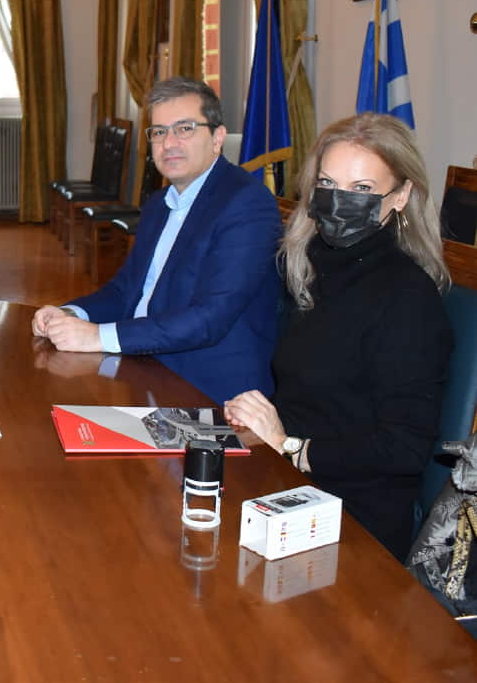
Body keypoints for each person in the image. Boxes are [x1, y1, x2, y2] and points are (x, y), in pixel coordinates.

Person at [225, 113, 451, 560]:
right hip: (287, 479)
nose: (339, 201)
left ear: (401, 196)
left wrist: (290, 446)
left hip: (355, 515)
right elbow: (313, 396)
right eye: (327, 184)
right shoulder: (310, 266)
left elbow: (404, 448)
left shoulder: (409, 298)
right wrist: (258, 420)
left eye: (361, 189)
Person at [32, 76, 283, 403]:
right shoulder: (159, 204)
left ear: (218, 137)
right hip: (145, 368)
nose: (169, 143)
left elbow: (209, 319)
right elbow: (125, 291)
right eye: (159, 132)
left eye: (185, 129)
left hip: (212, 394)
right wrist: (73, 313)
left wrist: (98, 336)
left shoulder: (246, 203)